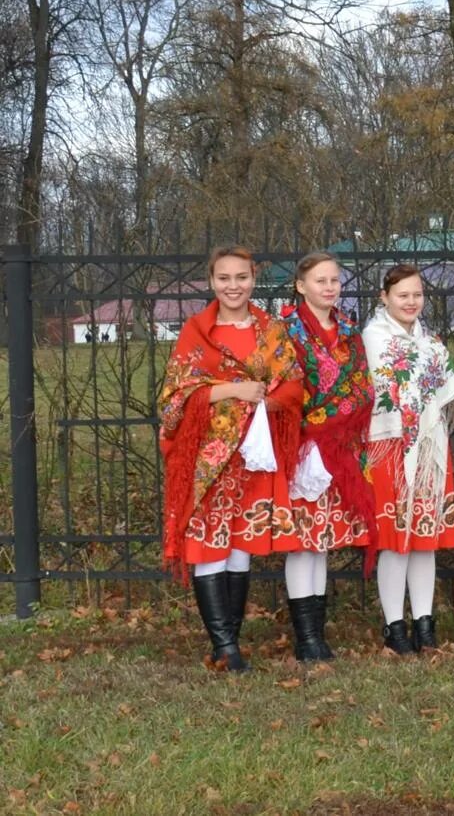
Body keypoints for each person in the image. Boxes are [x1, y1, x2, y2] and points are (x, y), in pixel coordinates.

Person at [157, 245, 304, 672]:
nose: (233, 286)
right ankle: (224, 646)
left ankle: (231, 641)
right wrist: (232, 391)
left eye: (241, 277)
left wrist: (264, 405)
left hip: (252, 455)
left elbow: (292, 385)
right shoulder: (196, 331)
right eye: (224, 278)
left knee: (240, 545)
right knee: (207, 546)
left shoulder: (270, 329)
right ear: (211, 281)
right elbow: (173, 398)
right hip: (208, 457)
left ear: (253, 279)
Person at [267, 251, 374, 663]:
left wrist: (335, 421)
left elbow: (363, 388)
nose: (329, 287)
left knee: (323, 541)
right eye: (320, 280)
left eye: (334, 280)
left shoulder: (348, 330)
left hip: (339, 451)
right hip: (303, 449)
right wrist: (315, 424)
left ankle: (318, 633)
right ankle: (305, 636)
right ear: (301, 285)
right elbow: (283, 386)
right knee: (301, 542)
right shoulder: (286, 330)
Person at [361, 264, 454, 656]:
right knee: (395, 540)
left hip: (429, 447)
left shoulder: (430, 340)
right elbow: (385, 387)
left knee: (426, 539)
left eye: (417, 294)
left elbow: (445, 388)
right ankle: (394, 624)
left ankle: (424, 621)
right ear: (384, 297)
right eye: (402, 295)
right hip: (390, 446)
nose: (411, 302)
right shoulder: (374, 338)